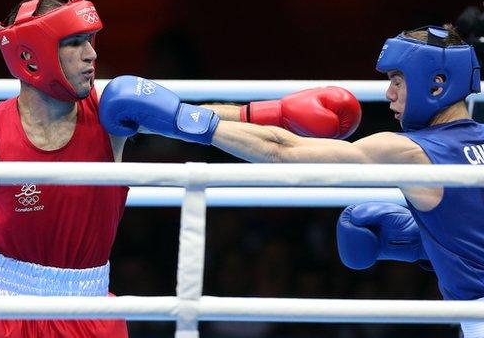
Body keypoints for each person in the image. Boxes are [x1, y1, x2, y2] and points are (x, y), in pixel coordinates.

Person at [0, 0, 363, 338]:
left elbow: (201, 119)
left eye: (92, 41)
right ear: (32, 55)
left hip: (89, 306)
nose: (91, 56)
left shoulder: (111, 113)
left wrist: (277, 113)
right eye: (75, 44)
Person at [98, 24, 483, 337]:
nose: (387, 93)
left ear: (435, 85)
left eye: (398, 81)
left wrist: (182, 120)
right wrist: (432, 242)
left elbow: (281, 151)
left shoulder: (411, 153)